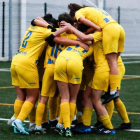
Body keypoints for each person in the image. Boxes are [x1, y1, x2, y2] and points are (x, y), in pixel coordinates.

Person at [31, 13, 90, 134]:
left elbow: (49, 35)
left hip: (49, 67)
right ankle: (60, 124)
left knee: (43, 98)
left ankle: (37, 126)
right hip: (61, 67)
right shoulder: (73, 37)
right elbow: (85, 42)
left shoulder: (54, 32)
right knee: (66, 98)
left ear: (58, 23)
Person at [61, 22, 116, 134]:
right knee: (87, 95)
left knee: (96, 99)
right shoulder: (100, 35)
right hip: (100, 70)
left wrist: (71, 28)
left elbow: (84, 37)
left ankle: (109, 128)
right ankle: (86, 125)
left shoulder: (98, 35)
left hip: (102, 70)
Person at [67, 3, 125, 104]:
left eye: (75, 20)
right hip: (118, 28)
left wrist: (97, 28)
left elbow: (84, 21)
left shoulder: (79, 12)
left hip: (109, 29)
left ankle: (113, 91)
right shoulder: (94, 10)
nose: (77, 22)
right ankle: (113, 90)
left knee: (111, 61)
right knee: (114, 60)